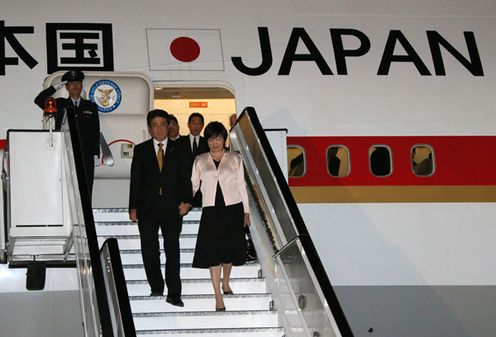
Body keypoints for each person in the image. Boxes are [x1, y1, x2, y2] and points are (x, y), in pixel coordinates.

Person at [128, 109, 192, 307]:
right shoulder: (141, 150)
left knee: (172, 249)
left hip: (173, 207)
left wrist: (187, 201)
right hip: (147, 207)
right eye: (155, 125)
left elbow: (187, 178)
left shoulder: (181, 149)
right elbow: (135, 180)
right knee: (149, 249)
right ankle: (156, 286)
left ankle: (174, 293)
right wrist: (133, 206)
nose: (159, 129)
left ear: (169, 126)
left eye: (163, 125)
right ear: (149, 128)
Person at [191, 121, 250, 311]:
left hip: (233, 208)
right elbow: (193, 186)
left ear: (224, 139)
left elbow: (242, 186)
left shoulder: (235, 158)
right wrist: (183, 202)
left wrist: (246, 211)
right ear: (206, 141)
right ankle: (218, 296)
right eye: (211, 139)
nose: (215, 143)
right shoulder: (200, 159)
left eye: (218, 138)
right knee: (213, 253)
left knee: (229, 250)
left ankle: (226, 282)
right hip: (211, 210)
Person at [34, 70, 100, 196]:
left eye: (78, 83)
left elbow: (95, 131)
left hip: (85, 155)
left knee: (86, 188)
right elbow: (39, 100)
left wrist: (96, 153)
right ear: (67, 87)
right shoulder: (59, 103)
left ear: (81, 86)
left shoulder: (90, 106)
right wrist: (54, 87)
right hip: (66, 152)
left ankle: (85, 216)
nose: (75, 86)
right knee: (66, 187)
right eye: (71, 83)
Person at [177, 112, 209, 206]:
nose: (196, 126)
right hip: (183, 188)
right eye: (193, 123)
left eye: (199, 123)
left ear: (202, 126)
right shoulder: (179, 143)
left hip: (203, 189)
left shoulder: (208, 143)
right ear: (188, 125)